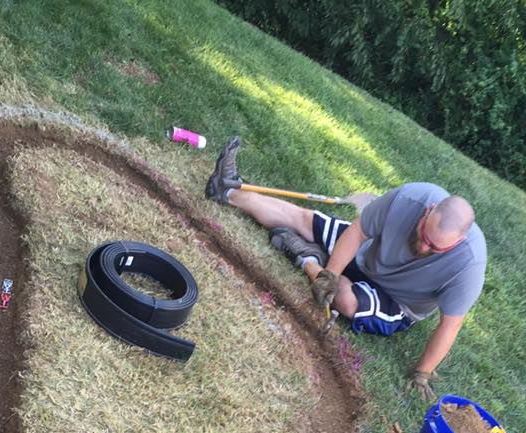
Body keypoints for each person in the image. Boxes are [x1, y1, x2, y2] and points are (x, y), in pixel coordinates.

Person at [205, 136, 487, 401]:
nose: (424, 247)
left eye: (435, 248)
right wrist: (331, 274)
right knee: (305, 220)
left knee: (345, 300)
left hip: (395, 300)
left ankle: (307, 259)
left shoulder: (468, 265)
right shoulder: (409, 198)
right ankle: (228, 190)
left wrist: (422, 373)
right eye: (424, 235)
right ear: (428, 211)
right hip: (365, 255)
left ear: (457, 243)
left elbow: (450, 324)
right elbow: (358, 232)